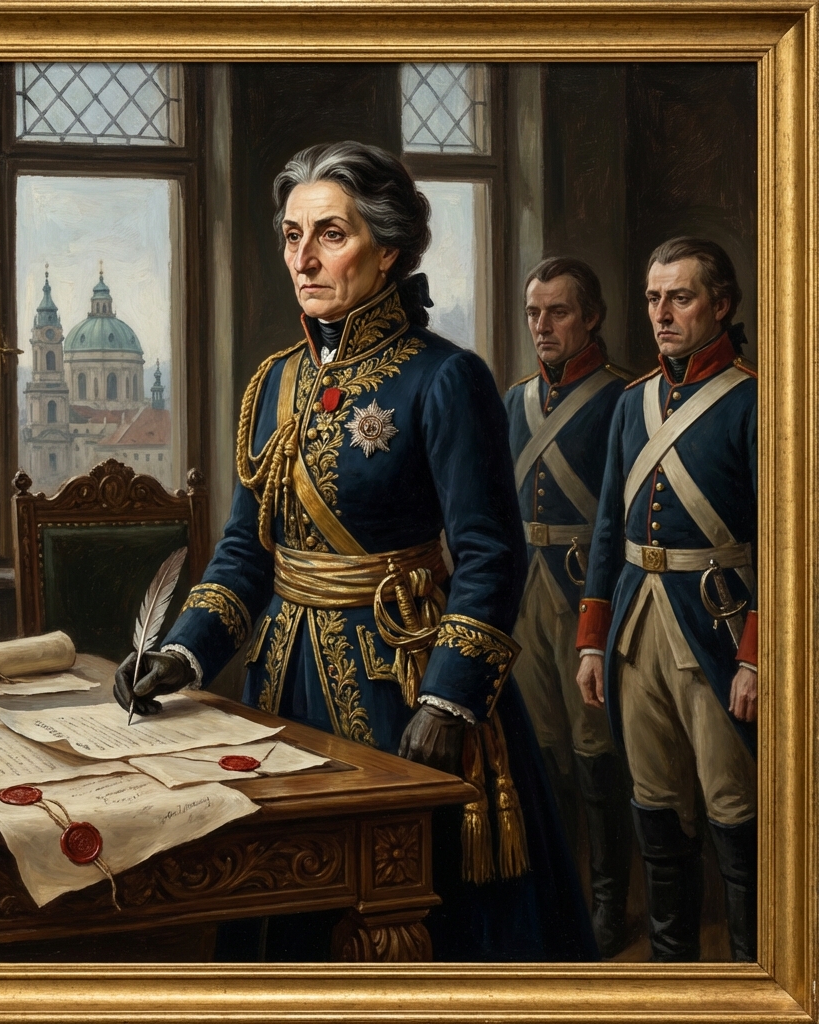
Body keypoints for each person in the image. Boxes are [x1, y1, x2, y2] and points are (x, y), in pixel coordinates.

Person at [114, 140, 596, 962]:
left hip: (402, 684)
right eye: (291, 235)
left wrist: (449, 701)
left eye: (330, 235)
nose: (303, 258)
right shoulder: (274, 382)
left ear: (390, 249)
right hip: (283, 684)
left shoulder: (445, 377)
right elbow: (244, 554)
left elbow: (488, 553)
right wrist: (183, 655)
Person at [576, 237, 757, 962]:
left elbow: (784, 548)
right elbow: (607, 529)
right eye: (654, 298)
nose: (662, 313)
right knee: (654, 808)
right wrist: (593, 641)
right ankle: (669, 976)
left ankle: (749, 979)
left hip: (715, 629)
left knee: (733, 813)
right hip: (635, 626)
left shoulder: (755, 401)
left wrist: (756, 657)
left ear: (722, 305)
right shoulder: (632, 403)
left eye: (680, 298)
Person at [503, 257, 632, 957]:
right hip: (524, 594)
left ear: (591, 318)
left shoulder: (622, 400)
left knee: (595, 757)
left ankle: (609, 904)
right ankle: (562, 899)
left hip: (586, 595)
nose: (543, 326)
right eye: (534, 313)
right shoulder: (514, 400)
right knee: (544, 755)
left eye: (558, 312)